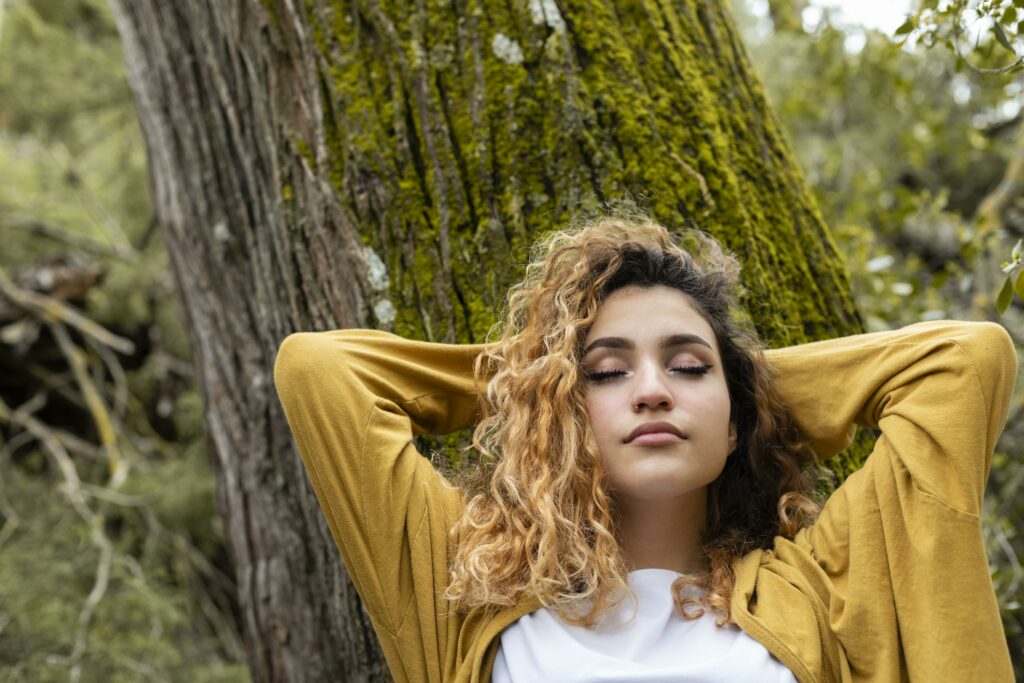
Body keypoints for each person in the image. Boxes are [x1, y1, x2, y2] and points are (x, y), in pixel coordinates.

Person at [273, 215, 1018, 682]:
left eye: (689, 367)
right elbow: (322, 373)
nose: (653, 390)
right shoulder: (469, 597)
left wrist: (749, 377)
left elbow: (962, 363)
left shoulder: (821, 587)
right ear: (563, 410)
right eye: (606, 372)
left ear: (735, 423)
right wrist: (534, 379)